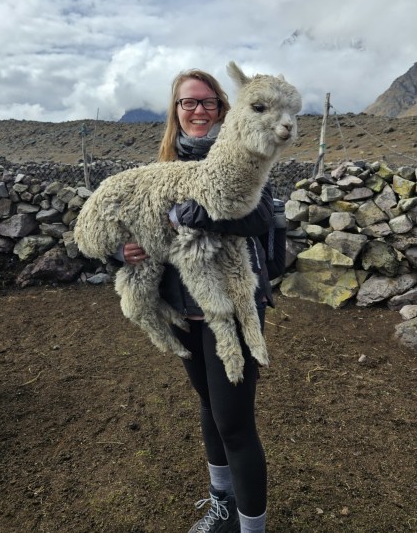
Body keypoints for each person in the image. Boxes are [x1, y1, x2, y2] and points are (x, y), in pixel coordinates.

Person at [121, 69, 274, 533]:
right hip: (182, 305)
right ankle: (222, 506)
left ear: (223, 109)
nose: (199, 110)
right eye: (188, 102)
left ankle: (252, 529)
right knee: (209, 407)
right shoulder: (161, 167)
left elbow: (260, 218)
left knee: (235, 424)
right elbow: (135, 225)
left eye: (208, 101)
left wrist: (199, 214)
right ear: (176, 111)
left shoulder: (248, 156)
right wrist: (124, 250)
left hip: (231, 303)